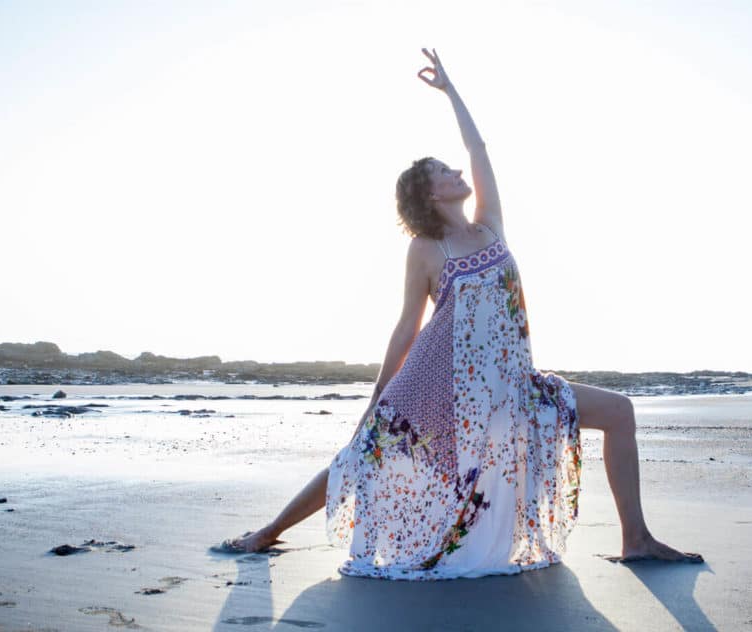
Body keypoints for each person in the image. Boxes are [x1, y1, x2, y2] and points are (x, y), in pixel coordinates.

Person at [224, 48, 702, 579]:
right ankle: (266, 533)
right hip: (447, 392)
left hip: (517, 389)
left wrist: (452, 92)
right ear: (429, 194)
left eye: (452, 166)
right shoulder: (426, 250)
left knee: (620, 412)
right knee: (361, 453)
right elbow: (408, 325)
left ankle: (636, 539)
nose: (456, 171)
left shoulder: (490, 224)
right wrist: (378, 395)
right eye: (443, 171)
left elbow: (478, 148)